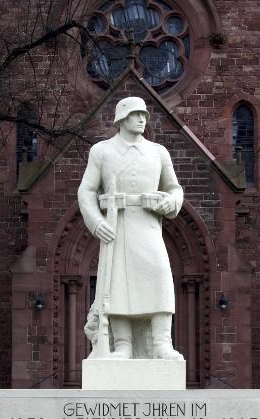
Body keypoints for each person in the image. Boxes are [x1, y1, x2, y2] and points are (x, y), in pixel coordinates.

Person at [78, 96, 183, 360]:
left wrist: (169, 202)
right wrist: (96, 221)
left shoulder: (158, 152)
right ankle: (123, 345)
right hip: (117, 226)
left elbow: (174, 189)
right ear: (122, 118)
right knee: (117, 286)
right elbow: (87, 190)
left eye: (144, 115)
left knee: (159, 277)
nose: (142, 119)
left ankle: (161, 343)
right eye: (136, 114)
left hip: (148, 226)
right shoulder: (102, 151)